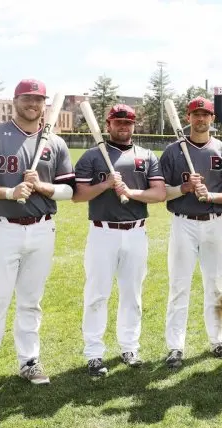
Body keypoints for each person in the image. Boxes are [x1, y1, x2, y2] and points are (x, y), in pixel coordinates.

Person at [0, 79, 76, 399]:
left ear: (44, 104)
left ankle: (30, 361)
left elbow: (69, 190)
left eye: (38, 99)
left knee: (30, 302)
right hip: (2, 228)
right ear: (15, 100)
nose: (33, 104)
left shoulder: (56, 143)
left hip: (42, 229)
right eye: (27, 98)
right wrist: (10, 191)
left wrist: (42, 187)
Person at [73, 104, 166, 377]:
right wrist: (105, 184)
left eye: (128, 122)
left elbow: (159, 193)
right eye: (118, 122)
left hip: (136, 232)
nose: (123, 126)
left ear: (134, 125)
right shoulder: (92, 156)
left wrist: (131, 191)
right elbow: (78, 195)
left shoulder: (147, 156)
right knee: (97, 295)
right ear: (108, 124)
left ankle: (129, 347)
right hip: (103, 233)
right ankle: (94, 353)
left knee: (132, 294)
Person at [160, 97, 222, 368]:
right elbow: (161, 192)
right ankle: (175, 347)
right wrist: (182, 189)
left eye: (205, 115)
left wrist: (212, 195)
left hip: (215, 223)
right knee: (179, 285)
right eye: (196, 114)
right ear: (189, 117)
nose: (201, 119)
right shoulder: (173, 151)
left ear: (212, 118)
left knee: (216, 284)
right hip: (183, 222)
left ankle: (218, 341)